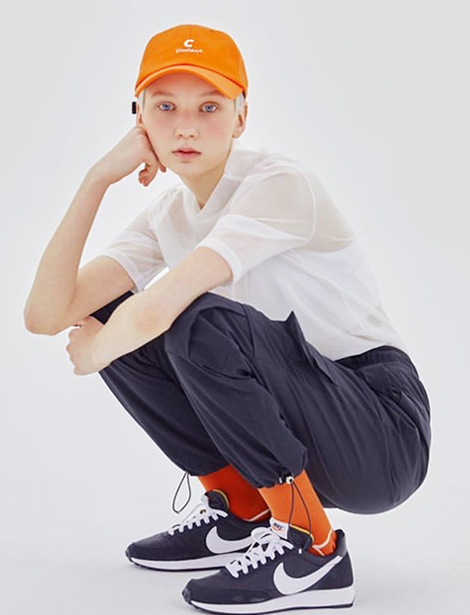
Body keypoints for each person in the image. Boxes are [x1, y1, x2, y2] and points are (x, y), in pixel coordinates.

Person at [24, 23, 432, 613]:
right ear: (139, 118)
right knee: (117, 311)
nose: (186, 127)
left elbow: (162, 306)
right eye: (165, 107)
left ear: (242, 117)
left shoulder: (281, 184)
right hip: (301, 411)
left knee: (196, 321)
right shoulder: (169, 213)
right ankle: (242, 511)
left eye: (209, 107)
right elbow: (46, 314)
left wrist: (95, 352)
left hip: (380, 428)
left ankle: (314, 549)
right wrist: (98, 178)